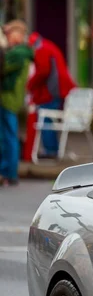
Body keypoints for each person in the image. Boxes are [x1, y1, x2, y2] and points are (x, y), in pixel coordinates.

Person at [27, 30, 76, 158]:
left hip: (53, 90)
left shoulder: (41, 49)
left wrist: (30, 85)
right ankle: (53, 149)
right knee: (49, 119)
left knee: (45, 118)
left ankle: (50, 150)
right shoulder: (47, 46)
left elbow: (43, 71)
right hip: (58, 88)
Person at [0, 20, 34, 185]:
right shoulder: (24, 52)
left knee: (8, 136)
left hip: (8, 97)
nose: (7, 36)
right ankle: (8, 172)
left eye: (9, 33)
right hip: (13, 97)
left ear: (18, 34)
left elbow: (3, 68)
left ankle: (9, 172)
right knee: (9, 135)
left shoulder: (17, 53)